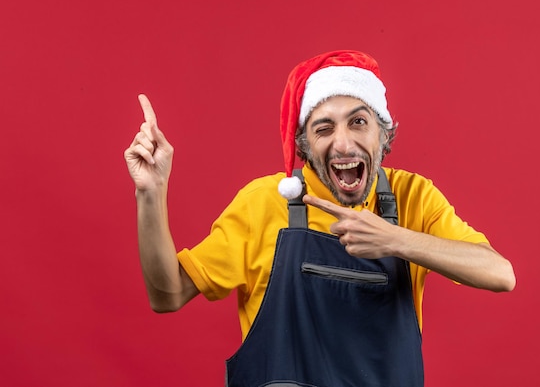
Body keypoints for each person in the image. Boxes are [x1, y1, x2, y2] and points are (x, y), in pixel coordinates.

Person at [124, 50, 515, 387]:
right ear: (305, 144)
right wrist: (151, 192)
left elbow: (500, 273)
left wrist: (395, 240)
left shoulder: (413, 198)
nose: (343, 143)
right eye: (323, 128)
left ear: (384, 133)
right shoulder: (264, 203)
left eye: (358, 122)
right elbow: (167, 294)